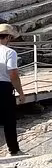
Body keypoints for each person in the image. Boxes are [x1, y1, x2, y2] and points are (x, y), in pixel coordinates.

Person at [0, 24, 24, 157]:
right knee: (9, 120)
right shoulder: (9, 52)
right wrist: (21, 92)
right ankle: (13, 150)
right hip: (3, 87)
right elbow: (13, 74)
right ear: (8, 37)